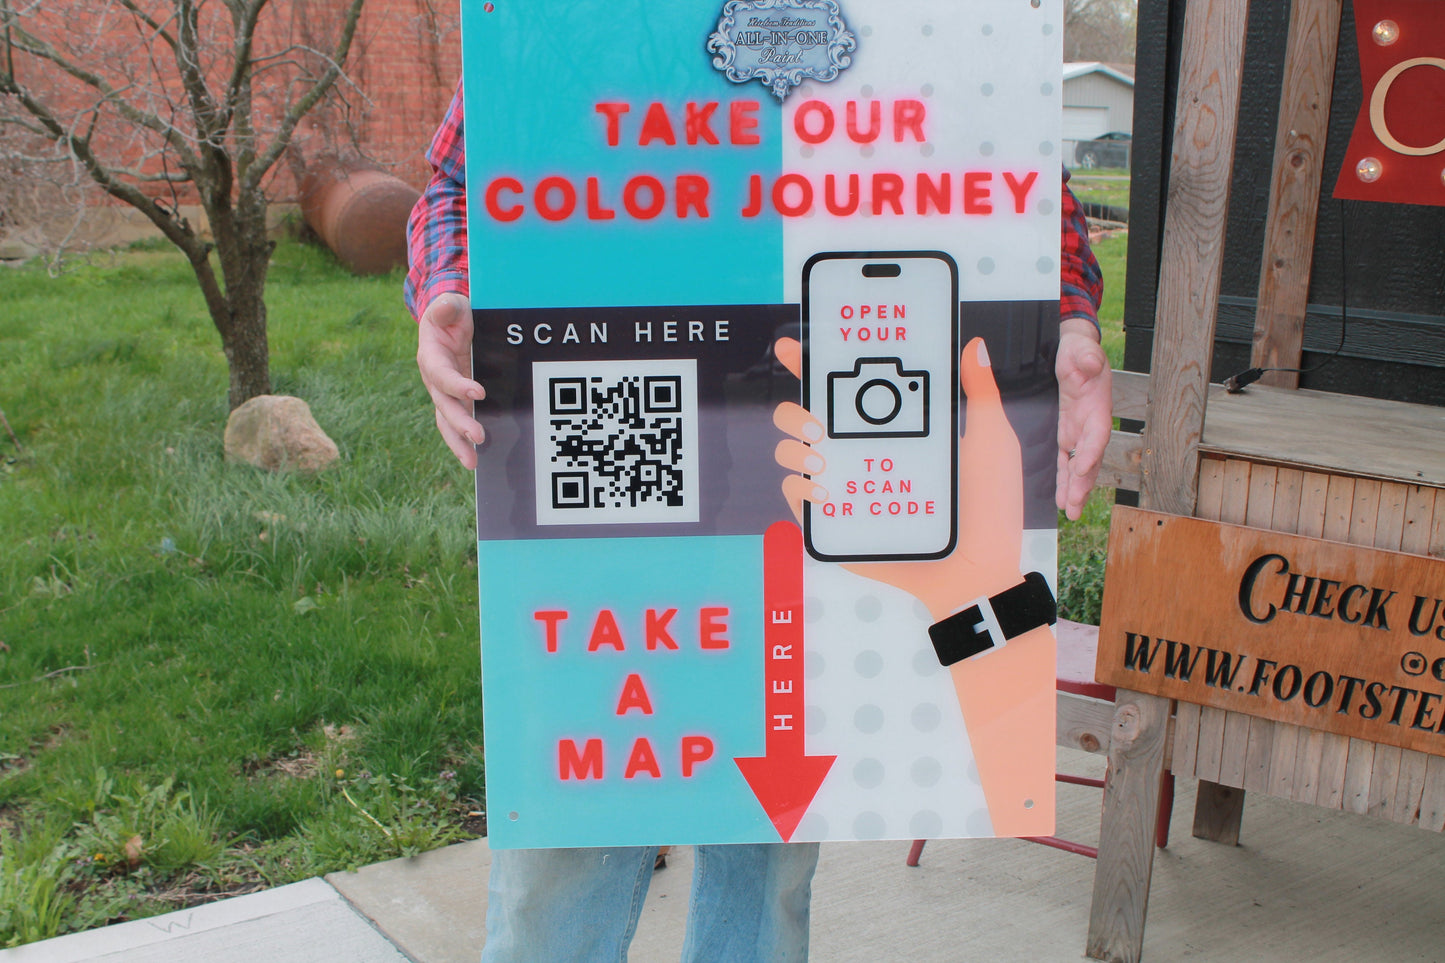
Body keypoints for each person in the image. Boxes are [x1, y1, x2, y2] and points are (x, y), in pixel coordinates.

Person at [405, 83, 1110, 962]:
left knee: (772, 817)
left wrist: (1065, 316)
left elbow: (1012, 164)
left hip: (807, 416)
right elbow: (462, 178)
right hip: (605, 397)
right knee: (570, 813)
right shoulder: (563, 33)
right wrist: (451, 289)